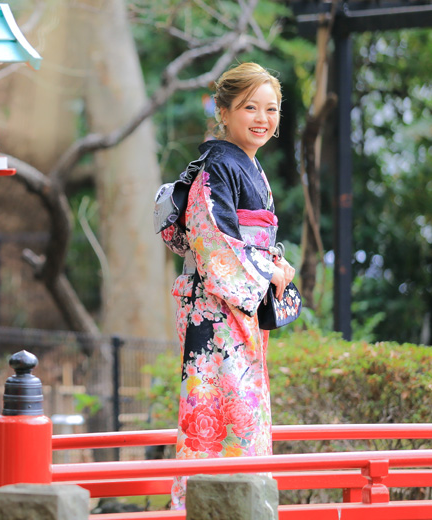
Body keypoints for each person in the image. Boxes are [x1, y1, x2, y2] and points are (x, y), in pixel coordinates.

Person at [160, 63, 296, 508]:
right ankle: (213, 507)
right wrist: (265, 272)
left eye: (271, 109)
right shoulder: (219, 164)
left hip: (237, 308)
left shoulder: (247, 167)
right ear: (224, 110)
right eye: (249, 107)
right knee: (220, 407)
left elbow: (246, 239)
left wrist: (273, 262)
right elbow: (211, 235)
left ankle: (239, 502)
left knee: (242, 409)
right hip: (217, 310)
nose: (262, 118)